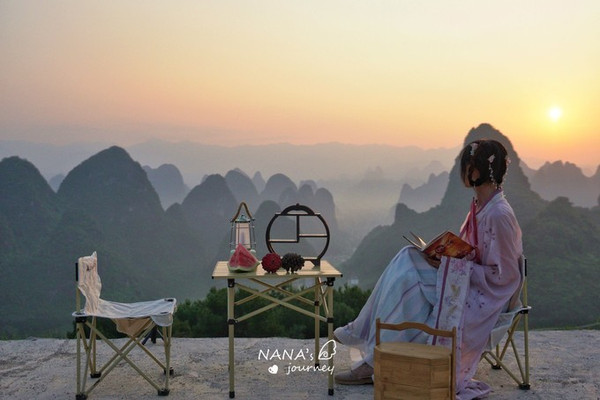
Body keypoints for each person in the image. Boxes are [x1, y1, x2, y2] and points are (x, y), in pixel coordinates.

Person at [334, 139, 523, 400]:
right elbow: (473, 253)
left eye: (467, 165)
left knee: (409, 280)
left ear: (478, 171)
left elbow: (504, 277)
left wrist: (450, 265)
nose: (463, 172)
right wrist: (446, 257)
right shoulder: (480, 206)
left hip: (485, 299)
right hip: (466, 282)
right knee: (409, 255)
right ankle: (368, 342)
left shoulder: (499, 214)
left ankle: (375, 359)